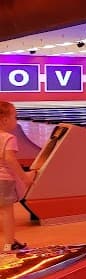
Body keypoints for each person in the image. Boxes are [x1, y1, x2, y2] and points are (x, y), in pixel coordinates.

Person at [1, 101, 35, 252]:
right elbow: (9, 159)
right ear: (5, 120)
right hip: (4, 180)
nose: (17, 120)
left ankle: (11, 240)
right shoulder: (8, 138)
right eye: (15, 116)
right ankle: (9, 245)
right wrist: (24, 177)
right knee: (6, 212)